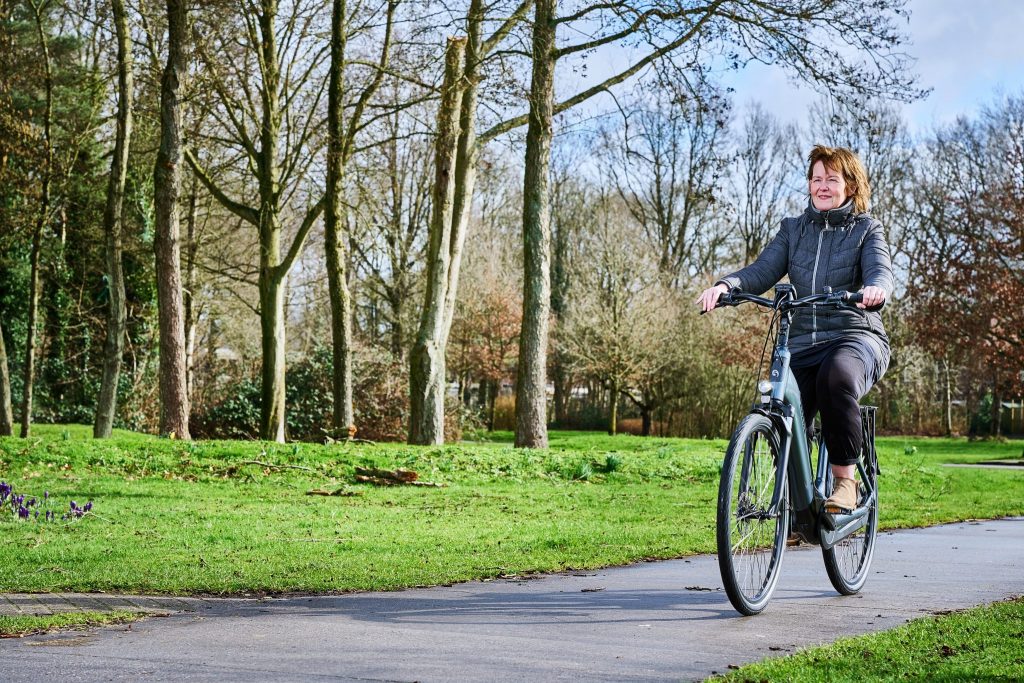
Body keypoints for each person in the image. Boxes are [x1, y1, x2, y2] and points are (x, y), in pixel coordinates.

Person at [696, 144, 893, 513]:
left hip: (855, 335)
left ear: (850, 186)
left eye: (831, 179)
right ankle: (795, 510)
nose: (822, 186)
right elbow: (761, 270)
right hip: (802, 341)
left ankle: (845, 482)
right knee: (782, 402)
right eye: (816, 179)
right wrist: (726, 286)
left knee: (836, 378)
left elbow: (879, 269)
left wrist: (875, 289)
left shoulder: (866, 229)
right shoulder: (793, 230)